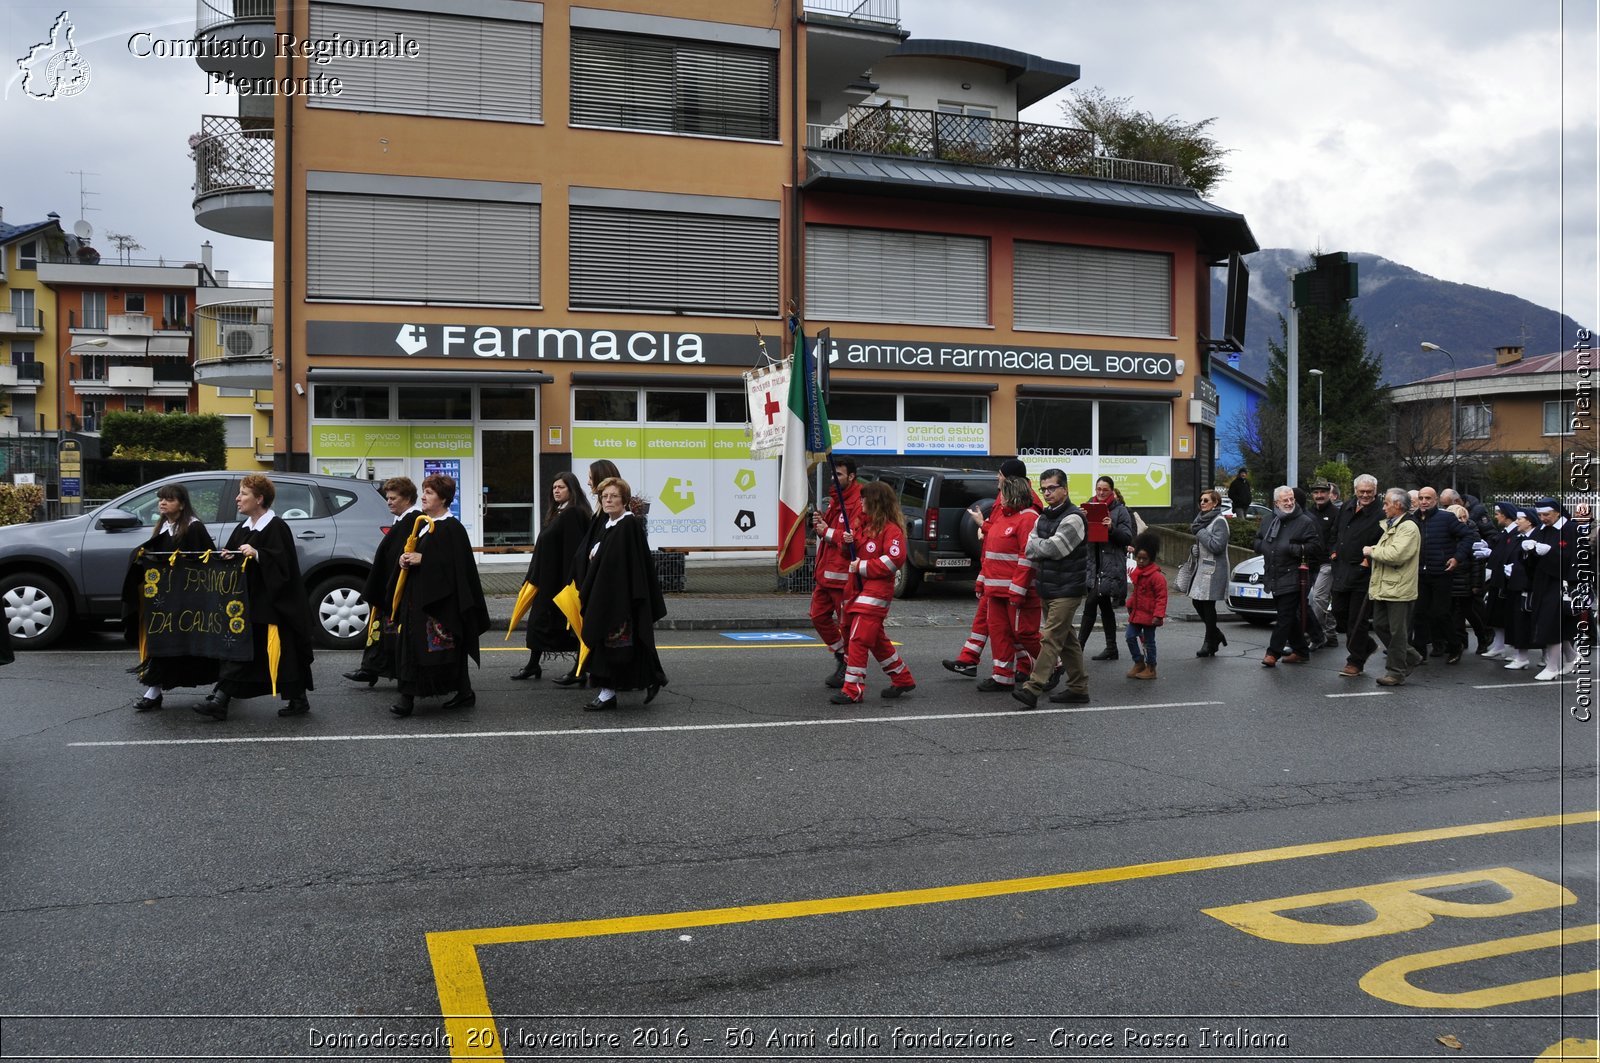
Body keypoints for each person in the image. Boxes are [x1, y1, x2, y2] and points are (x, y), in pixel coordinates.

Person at [194, 474, 315, 720]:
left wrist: (259, 554)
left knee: (270, 652)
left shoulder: (276, 527)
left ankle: (221, 699)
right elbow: (238, 558)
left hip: (272, 604)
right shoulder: (243, 527)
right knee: (262, 653)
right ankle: (297, 698)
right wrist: (229, 556)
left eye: (243, 494)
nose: (238, 498)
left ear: (259, 499)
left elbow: (284, 567)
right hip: (250, 603)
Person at [388, 474, 490, 717]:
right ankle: (460, 692)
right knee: (418, 648)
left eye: (429, 493)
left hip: (438, 603)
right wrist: (405, 560)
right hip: (418, 600)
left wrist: (424, 559)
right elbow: (418, 556)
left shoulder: (452, 527)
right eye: (423, 491)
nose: (423, 496)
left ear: (443, 498)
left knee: (440, 650)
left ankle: (409, 699)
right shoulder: (424, 525)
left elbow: (458, 568)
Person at [573, 476, 668, 710]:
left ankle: (610, 693)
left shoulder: (628, 525)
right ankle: (646, 680)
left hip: (620, 599)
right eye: (604, 497)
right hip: (606, 595)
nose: (608, 500)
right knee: (617, 646)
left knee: (616, 648)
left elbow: (626, 563)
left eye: (613, 496)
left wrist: (600, 556)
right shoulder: (609, 525)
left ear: (624, 499)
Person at [122, 483, 219, 711]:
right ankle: (153, 691)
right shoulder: (164, 527)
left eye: (169, 499)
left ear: (182, 504)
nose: (162, 503)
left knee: (200, 645)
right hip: (166, 601)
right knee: (163, 643)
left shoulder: (194, 528)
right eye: (161, 499)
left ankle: (222, 690)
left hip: (190, 601)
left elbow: (206, 562)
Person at [942, 458, 1039, 678]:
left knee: (1013, 630)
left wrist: (983, 527)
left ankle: (1034, 665)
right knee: (996, 626)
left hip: (1008, 580)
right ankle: (983, 664)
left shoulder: (1027, 508)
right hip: (995, 575)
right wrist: (985, 528)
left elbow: (1025, 552)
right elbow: (999, 529)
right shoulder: (1006, 498)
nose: (997, 476)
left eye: (1000, 473)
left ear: (1010, 478)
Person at [828, 480, 917, 704]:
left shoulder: (891, 530)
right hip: (856, 589)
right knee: (874, 640)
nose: (861, 501)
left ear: (875, 502)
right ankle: (902, 678)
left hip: (876, 591)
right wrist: (846, 542)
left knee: (859, 638)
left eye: (864, 498)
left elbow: (894, 559)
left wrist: (861, 566)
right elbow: (851, 554)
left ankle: (853, 689)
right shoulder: (863, 526)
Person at [1012, 469, 1090, 709]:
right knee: (1067, 640)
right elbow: (1029, 546)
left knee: (1051, 638)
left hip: (1068, 590)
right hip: (1048, 587)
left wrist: (1038, 546)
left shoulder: (1074, 518)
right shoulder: (1043, 517)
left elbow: (1055, 549)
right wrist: (1039, 546)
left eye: (1052, 488)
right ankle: (1078, 688)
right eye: (1044, 488)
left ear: (1064, 489)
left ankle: (1033, 687)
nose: (1047, 493)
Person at [510, 472, 592, 681]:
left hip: (559, 582)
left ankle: (579, 669)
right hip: (546, 580)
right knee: (539, 624)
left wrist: (569, 581)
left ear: (571, 490)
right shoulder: (558, 512)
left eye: (561, 487)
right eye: (554, 487)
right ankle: (533, 665)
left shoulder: (573, 513)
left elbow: (573, 550)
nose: (556, 490)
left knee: (570, 625)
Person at [343, 476, 419, 687]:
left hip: (399, 588)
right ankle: (371, 668)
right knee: (381, 631)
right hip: (389, 585)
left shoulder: (414, 520)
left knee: (392, 632)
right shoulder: (401, 520)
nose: (389, 502)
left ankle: (381, 669)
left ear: (407, 498)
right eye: (387, 498)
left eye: (393, 498)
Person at [972, 474, 1041, 691]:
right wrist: (981, 582)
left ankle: (1054, 663)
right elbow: (990, 554)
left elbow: (1027, 557)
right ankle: (1002, 676)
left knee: (1025, 633)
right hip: (995, 589)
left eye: (1003, 492)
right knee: (999, 633)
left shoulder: (1028, 518)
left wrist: (1018, 590)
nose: (999, 497)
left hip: (1014, 591)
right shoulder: (1002, 517)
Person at [1253, 484, 1325, 666]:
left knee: (1285, 615)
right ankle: (1301, 650)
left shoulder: (1304, 521)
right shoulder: (1269, 519)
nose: (1289, 502)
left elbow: (1316, 547)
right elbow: (1258, 539)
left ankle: (1273, 652)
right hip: (1273, 573)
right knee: (1290, 616)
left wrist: (1294, 549)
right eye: (1285, 500)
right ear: (1276, 502)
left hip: (1293, 575)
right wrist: (1262, 547)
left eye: (1291, 499)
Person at [810, 457, 864, 688]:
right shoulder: (836, 498)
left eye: (839, 475)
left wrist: (828, 531)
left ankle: (850, 668)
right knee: (818, 616)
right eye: (833, 474)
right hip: (825, 574)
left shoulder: (858, 502)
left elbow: (854, 539)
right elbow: (833, 533)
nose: (834, 478)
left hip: (843, 578)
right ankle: (843, 656)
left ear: (851, 476)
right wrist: (821, 524)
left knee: (848, 627)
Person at [1364, 488, 1424, 686]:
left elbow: (1396, 554)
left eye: (1386, 503)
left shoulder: (1408, 527)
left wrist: (1372, 551)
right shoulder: (1392, 525)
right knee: (1381, 626)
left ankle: (1396, 672)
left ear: (1398, 505)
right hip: (1384, 586)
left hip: (1399, 588)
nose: (1383, 507)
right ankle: (1412, 656)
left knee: (1397, 632)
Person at [1409, 486, 1472, 664]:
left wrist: (1457, 558)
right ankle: (1420, 653)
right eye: (1421, 498)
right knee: (1419, 614)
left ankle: (1455, 645)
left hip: (1442, 573)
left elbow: (1468, 536)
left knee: (1440, 613)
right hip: (1419, 573)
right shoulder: (1412, 519)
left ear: (1435, 500)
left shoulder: (1446, 518)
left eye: (1428, 498)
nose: (1423, 501)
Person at [1330, 475, 1385, 678]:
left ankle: (1355, 661)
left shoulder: (1381, 512)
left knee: (1357, 618)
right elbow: (1335, 532)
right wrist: (1333, 551)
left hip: (1363, 572)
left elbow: (1384, 541)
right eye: (1361, 491)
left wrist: (1367, 561)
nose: (1365, 495)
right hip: (1342, 569)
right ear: (1355, 490)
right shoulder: (1346, 507)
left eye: (1369, 491)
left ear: (1375, 490)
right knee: (1339, 613)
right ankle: (1366, 645)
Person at [1078, 475, 1135, 661]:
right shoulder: (1088, 507)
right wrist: (1080, 520)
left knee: (1090, 605)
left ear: (1112, 491)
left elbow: (1127, 538)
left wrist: (1111, 528)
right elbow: (1080, 536)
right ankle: (1112, 648)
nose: (1101, 493)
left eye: (1105, 490)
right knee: (1105, 607)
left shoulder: (1120, 511)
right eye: (1098, 489)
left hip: (1109, 566)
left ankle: (1077, 650)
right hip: (1092, 567)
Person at [1529, 497, 1581, 681]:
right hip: (1543, 582)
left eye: (1546, 514)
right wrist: (1527, 551)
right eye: (1540, 515)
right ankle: (1572, 657)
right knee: (1556, 625)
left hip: (1562, 583)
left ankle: (1552, 666)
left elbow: (1575, 559)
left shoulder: (1570, 530)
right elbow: (1531, 559)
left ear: (1557, 512)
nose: (1543, 518)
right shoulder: (1541, 530)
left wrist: (1550, 552)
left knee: (1552, 624)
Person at [1185, 489, 1231, 657]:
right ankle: (1215, 634)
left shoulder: (1219, 521)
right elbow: (1205, 543)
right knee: (1197, 602)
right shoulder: (1201, 520)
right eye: (1201, 500)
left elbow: (1217, 546)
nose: (1202, 503)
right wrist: (1195, 549)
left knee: (1208, 604)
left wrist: (1200, 533)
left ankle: (1209, 642)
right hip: (1202, 568)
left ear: (1215, 503)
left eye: (1206, 500)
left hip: (1214, 570)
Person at [1500, 507, 1541, 671]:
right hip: (1515, 585)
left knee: (1531, 622)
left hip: (1530, 586)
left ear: (1529, 521)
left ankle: (1548, 656)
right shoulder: (1518, 538)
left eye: (1520, 519)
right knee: (1518, 621)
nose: (1517, 522)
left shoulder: (1537, 537)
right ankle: (1520, 656)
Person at [1478, 501, 1521, 659]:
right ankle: (1499, 645)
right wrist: (1489, 551)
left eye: (1497, 514)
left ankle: (1517, 650)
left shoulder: (1515, 533)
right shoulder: (1505, 532)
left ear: (1505, 515)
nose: (1495, 517)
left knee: (1509, 615)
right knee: (1496, 613)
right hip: (1498, 578)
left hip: (1508, 579)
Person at [1124, 530, 1167, 680]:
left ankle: (1151, 667)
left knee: (1149, 642)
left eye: (1144, 559)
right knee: (1129, 636)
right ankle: (1138, 662)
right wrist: (1129, 603)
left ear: (1151, 558)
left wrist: (1158, 615)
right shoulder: (1138, 573)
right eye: (1138, 558)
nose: (1141, 561)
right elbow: (1136, 592)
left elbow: (1162, 598)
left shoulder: (1157, 577)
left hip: (1150, 615)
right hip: (1137, 613)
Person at [1306, 482, 1341, 649]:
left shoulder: (1337, 513)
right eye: (1316, 492)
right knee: (1319, 600)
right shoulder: (1308, 513)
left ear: (1330, 494)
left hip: (1327, 563)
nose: (1319, 495)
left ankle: (1312, 634)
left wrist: (1333, 554)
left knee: (1318, 599)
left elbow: (1337, 538)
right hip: (1310, 563)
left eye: (1323, 492)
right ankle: (1330, 635)